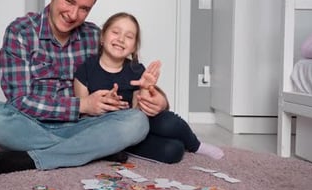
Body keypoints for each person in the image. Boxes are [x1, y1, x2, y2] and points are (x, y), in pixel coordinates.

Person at [0, 0, 169, 177]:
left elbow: (131, 77)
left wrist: (160, 100)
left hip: (84, 126)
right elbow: (19, 101)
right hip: (30, 126)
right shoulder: (20, 32)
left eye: (84, 8)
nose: (73, 14)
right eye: (69, 1)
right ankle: (94, 150)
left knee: (137, 122)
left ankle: (35, 158)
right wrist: (83, 104)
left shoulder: (96, 37)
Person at [74, 12, 224, 164]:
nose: (120, 39)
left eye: (129, 36)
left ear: (134, 47)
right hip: (104, 130)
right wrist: (102, 107)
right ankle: (114, 149)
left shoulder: (136, 69)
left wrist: (146, 88)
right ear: (102, 37)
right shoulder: (86, 69)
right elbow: (82, 113)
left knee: (172, 134)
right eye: (115, 32)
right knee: (170, 150)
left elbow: (141, 111)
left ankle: (196, 146)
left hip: (134, 126)